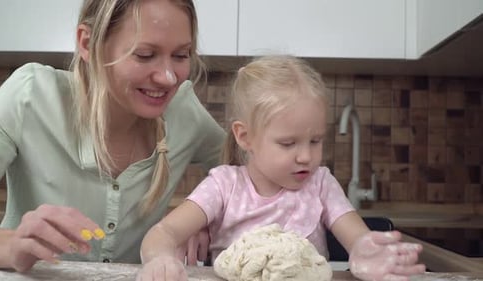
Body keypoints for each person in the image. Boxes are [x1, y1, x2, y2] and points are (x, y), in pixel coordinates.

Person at [0, 0, 225, 273]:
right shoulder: (29, 95)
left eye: (181, 55)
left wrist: (210, 214)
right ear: (87, 43)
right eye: (144, 54)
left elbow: (256, 174)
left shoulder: (184, 111)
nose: (169, 78)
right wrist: (11, 245)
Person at [137, 55, 426, 281]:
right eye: (288, 144)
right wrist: (160, 259)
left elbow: (357, 238)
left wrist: (365, 251)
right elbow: (163, 233)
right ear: (245, 136)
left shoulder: (321, 184)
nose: (306, 157)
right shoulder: (225, 186)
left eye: (315, 141)